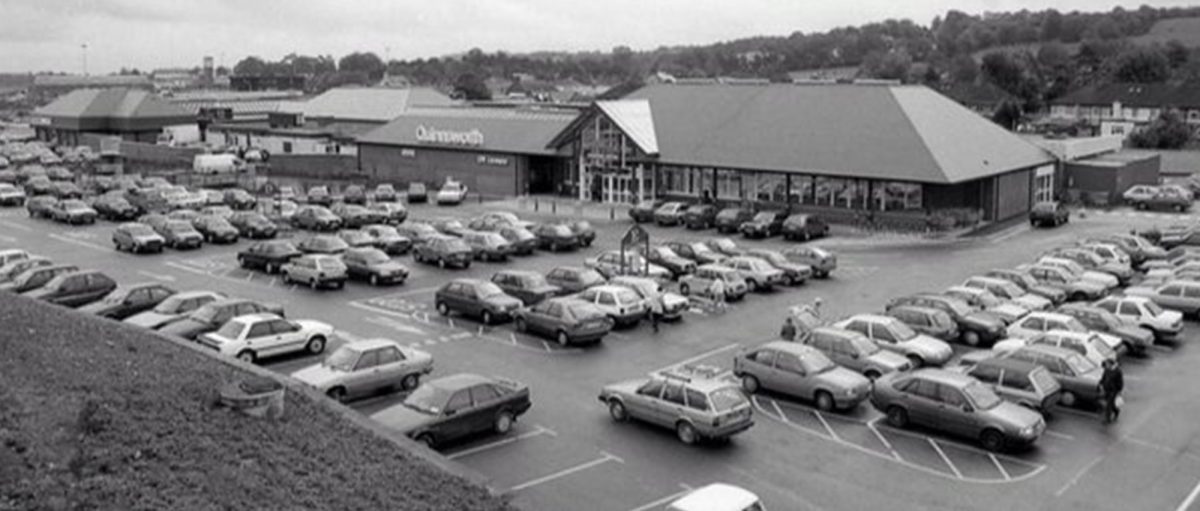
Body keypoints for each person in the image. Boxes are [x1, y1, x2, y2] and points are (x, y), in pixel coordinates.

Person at [1100, 359, 1124, 424]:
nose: (1106, 365)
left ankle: (1107, 419)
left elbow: (1120, 382)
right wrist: (1101, 384)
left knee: (1108, 405)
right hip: (1106, 389)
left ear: (1111, 364)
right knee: (1112, 404)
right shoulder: (1106, 370)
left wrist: (1119, 390)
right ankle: (1116, 411)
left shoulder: (1118, 371)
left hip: (1113, 390)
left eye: (1107, 364)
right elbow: (1103, 378)